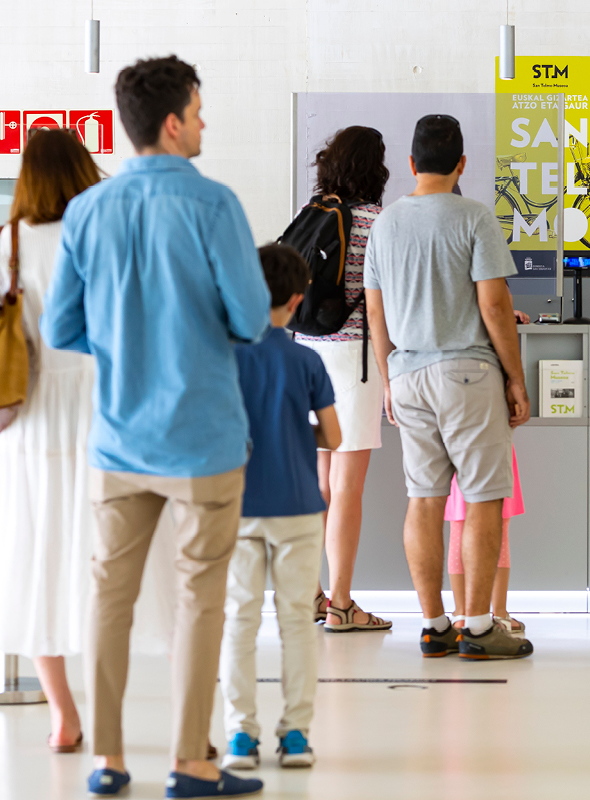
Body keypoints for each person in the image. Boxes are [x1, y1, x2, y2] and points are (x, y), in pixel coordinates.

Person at [41, 55, 269, 799]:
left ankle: (107, 761)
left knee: (108, 596)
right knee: (201, 595)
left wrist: (126, 338)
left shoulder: (87, 211)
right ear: (172, 124)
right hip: (200, 435)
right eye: (199, 112)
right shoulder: (215, 206)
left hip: (116, 437)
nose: (204, 123)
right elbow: (249, 318)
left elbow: (63, 326)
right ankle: (190, 762)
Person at [364, 114, 534, 660]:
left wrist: (389, 379)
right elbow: (494, 304)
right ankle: (480, 628)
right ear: (463, 164)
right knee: (484, 497)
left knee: (423, 498)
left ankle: (435, 624)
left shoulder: (385, 224)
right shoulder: (474, 217)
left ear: (411, 164)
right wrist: (515, 378)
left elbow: (375, 312)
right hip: (467, 373)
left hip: (408, 375)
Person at [0, 128, 101, 754]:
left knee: (34, 563)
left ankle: (64, 715)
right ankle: (112, 716)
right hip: (98, 415)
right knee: (105, 565)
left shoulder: (1, 243)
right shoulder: (100, 238)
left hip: (28, 420)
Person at [219, 244, 342, 771]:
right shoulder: (307, 359)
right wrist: (297, 427)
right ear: (297, 300)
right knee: (295, 621)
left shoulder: (226, 355)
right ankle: (295, 736)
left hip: (239, 508)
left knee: (238, 621)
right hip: (297, 507)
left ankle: (240, 737)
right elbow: (333, 438)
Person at [294, 126, 392, 633]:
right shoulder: (379, 222)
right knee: (347, 488)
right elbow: (383, 306)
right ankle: (342, 604)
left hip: (309, 354)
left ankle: (309, 593)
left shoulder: (313, 212)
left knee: (318, 485)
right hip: (355, 362)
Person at [447, 446, 526, 635]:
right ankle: (499, 614)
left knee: (459, 529)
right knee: (498, 530)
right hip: (494, 443)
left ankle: (461, 614)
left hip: (459, 444)